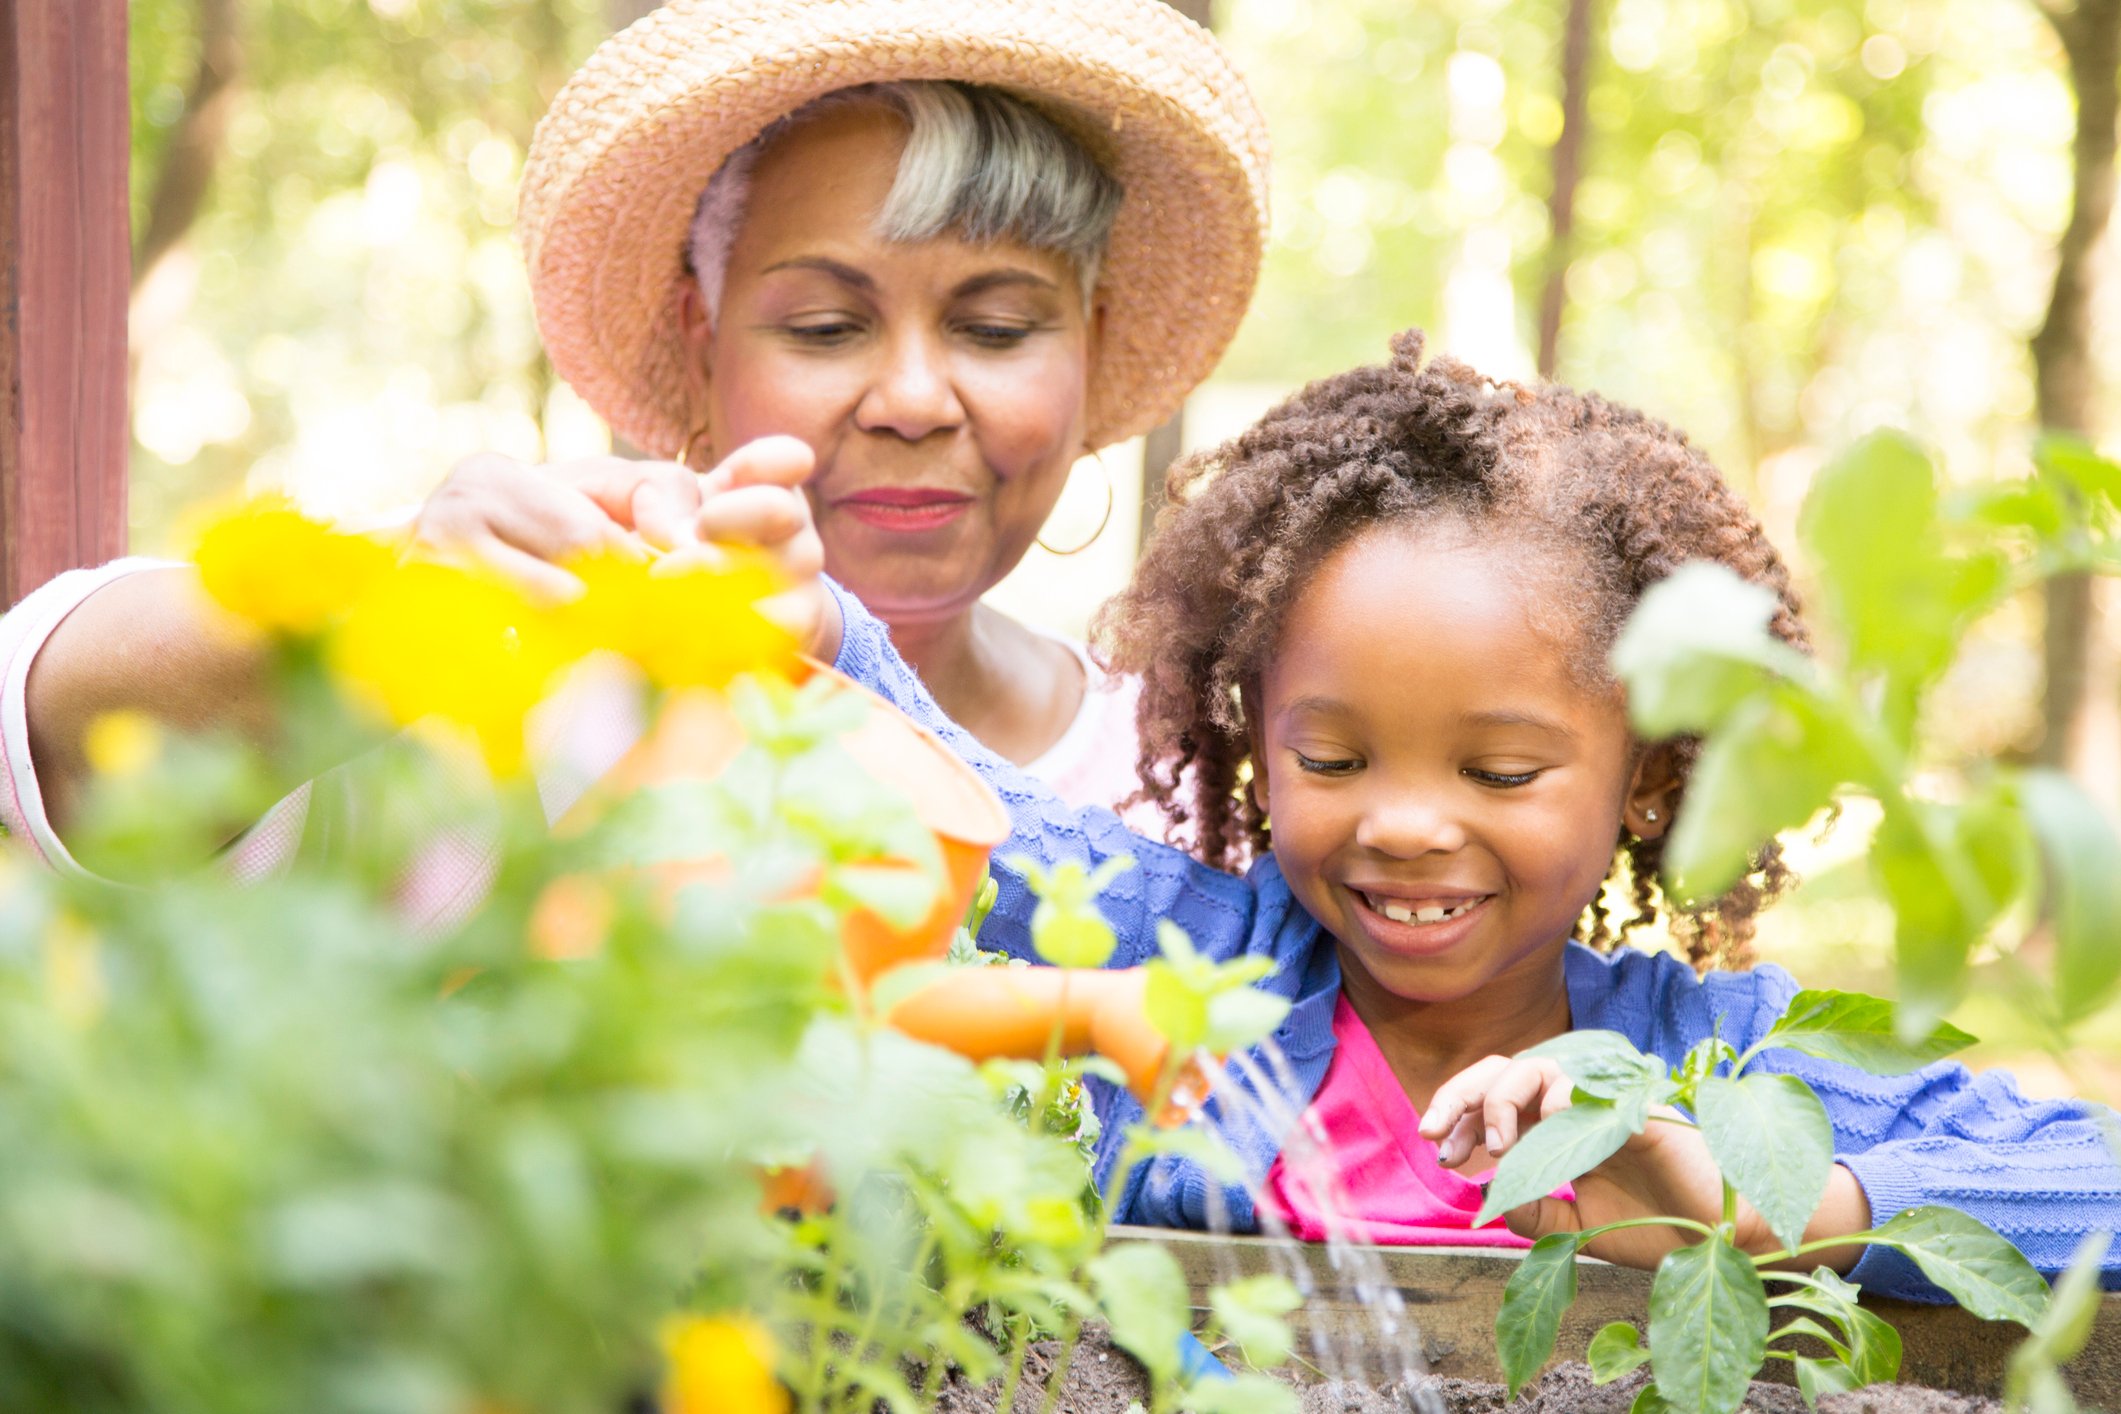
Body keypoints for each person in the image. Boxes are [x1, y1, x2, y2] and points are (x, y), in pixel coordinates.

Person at [719, 328, 2121, 1301]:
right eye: (1331, 760)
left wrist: (1768, 1208)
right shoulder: (1195, 961)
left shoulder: (1722, 1062)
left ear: (1645, 773)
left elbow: (2094, 1179)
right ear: (1253, 735)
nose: (1400, 825)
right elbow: (978, 818)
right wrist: (812, 627)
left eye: (1498, 774)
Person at [0, 0, 1269, 891]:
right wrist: (375, 606)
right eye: (827, 324)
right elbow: (44, 728)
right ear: (698, 331)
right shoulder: (520, 699)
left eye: (996, 327)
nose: (916, 398)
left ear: (1090, 344)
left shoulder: (1201, 785)